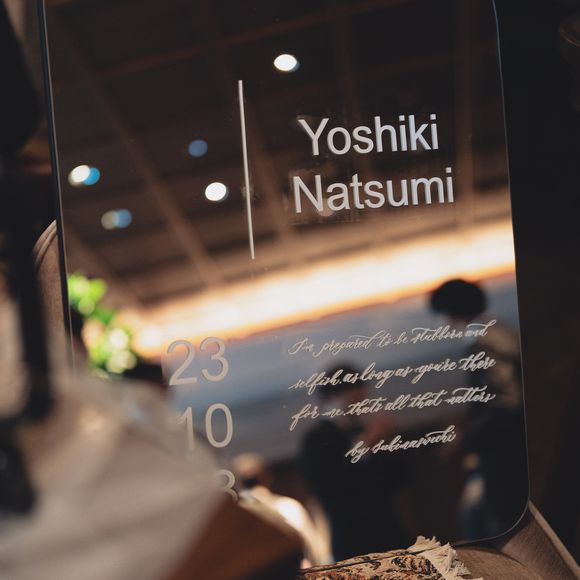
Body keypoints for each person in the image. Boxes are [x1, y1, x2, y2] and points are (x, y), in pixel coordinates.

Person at [430, 279, 528, 538]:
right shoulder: (501, 331)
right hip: (516, 447)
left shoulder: (483, 342)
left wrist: (464, 439)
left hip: (505, 454)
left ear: (452, 312)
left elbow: (505, 404)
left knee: (494, 524)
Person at [300, 366, 411, 561]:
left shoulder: (365, 430)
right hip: (352, 543)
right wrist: (365, 445)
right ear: (333, 396)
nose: (363, 399)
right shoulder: (316, 439)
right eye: (355, 392)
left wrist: (392, 443)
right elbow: (328, 486)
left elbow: (402, 479)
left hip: (391, 535)